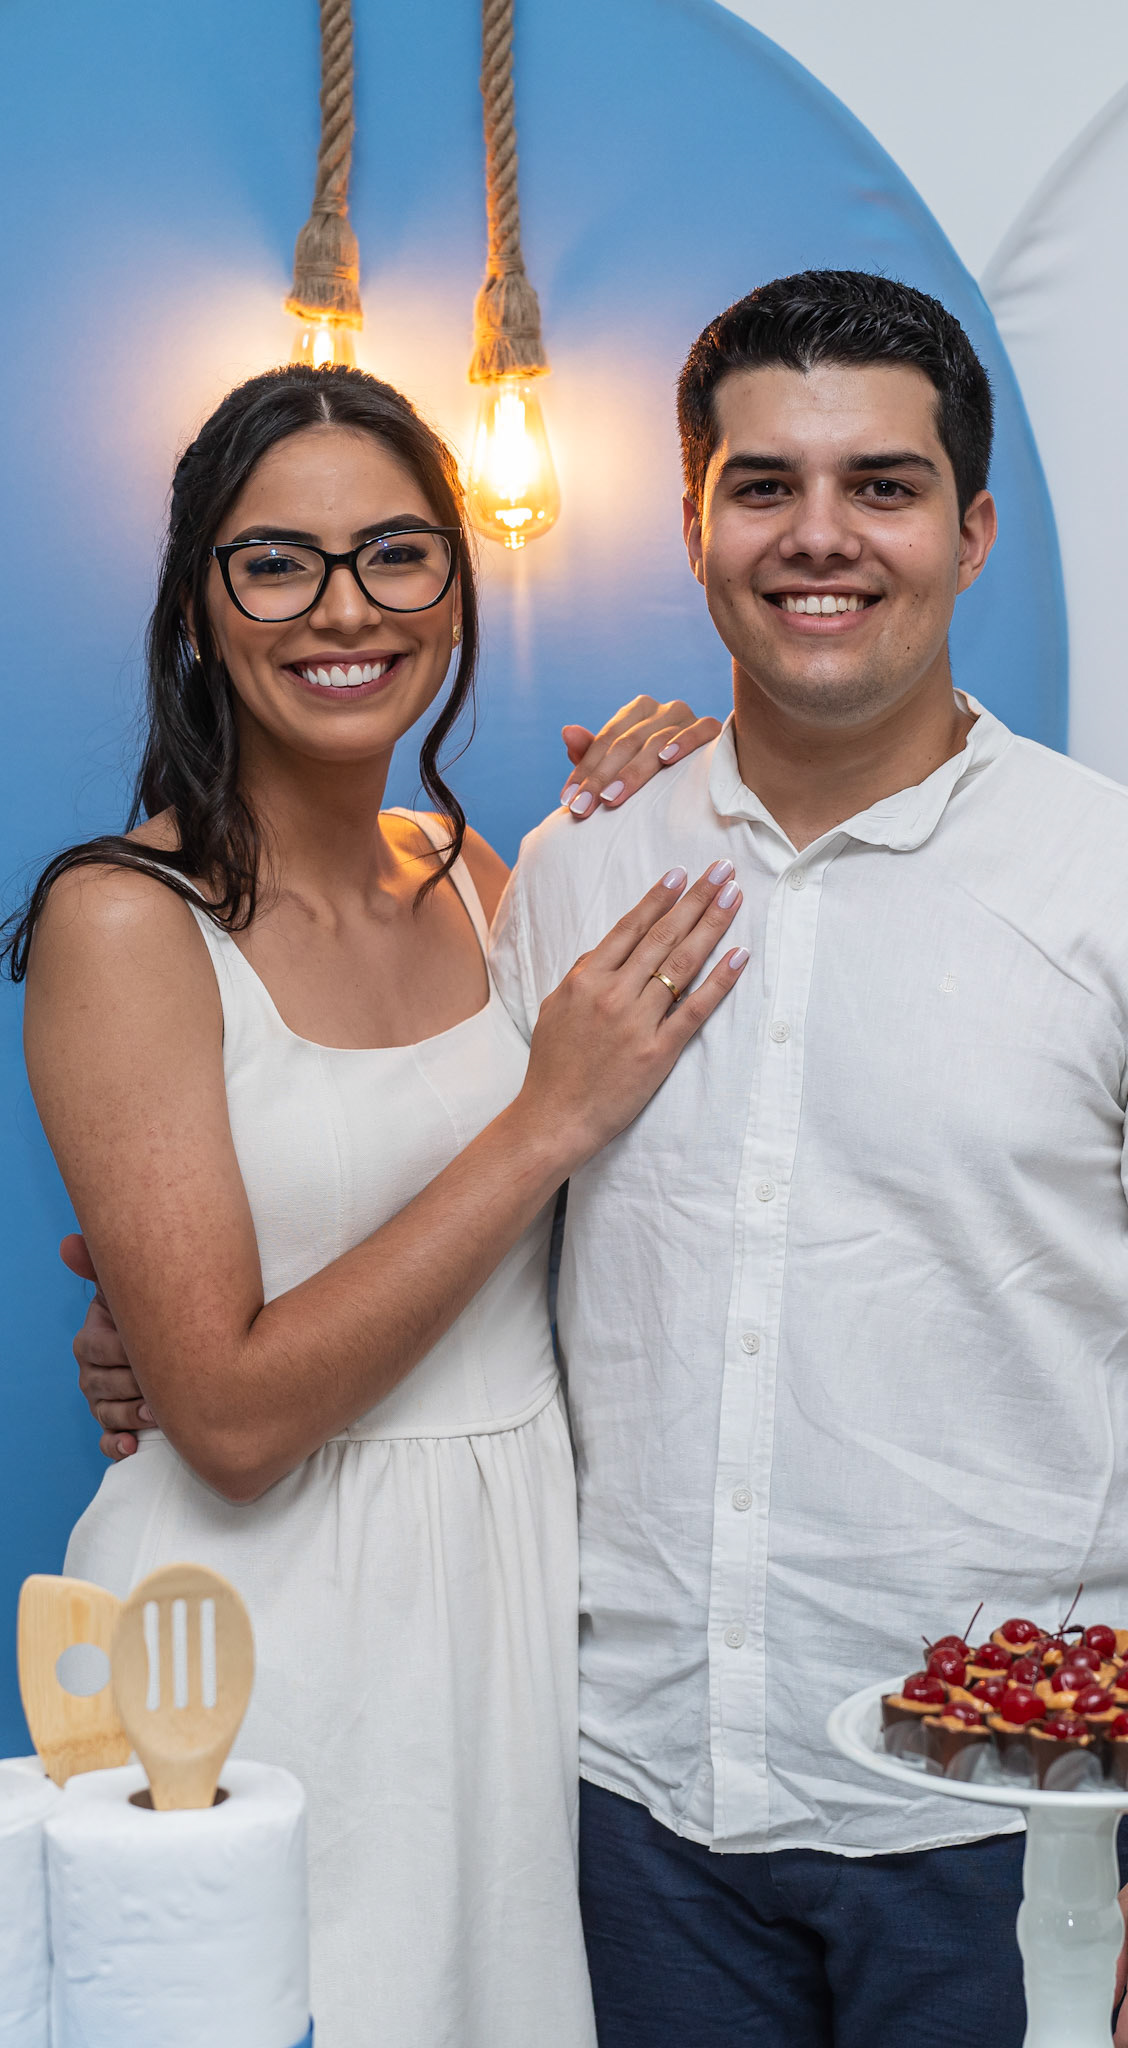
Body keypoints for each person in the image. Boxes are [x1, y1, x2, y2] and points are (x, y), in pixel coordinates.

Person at [66, 273, 1128, 2048]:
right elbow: (457, 1192)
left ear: (971, 531)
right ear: (693, 529)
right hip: (622, 1808)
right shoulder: (574, 869)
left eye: (882, 486)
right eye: (763, 486)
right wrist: (173, 1328)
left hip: (1018, 1815)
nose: (819, 536)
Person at [11, 361, 744, 2048]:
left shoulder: (478, 877)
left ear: (455, 590)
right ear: (197, 608)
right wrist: (541, 1123)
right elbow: (229, 1422)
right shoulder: (126, 921)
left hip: (503, 1604)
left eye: (396, 553)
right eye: (275, 562)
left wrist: (695, 777)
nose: (344, 609)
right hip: (249, 1635)